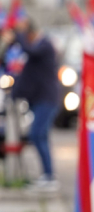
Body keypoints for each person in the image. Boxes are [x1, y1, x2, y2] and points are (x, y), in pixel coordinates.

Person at [2, 18, 61, 190]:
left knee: (37, 134)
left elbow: (30, 51)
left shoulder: (44, 45)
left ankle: (49, 176)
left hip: (47, 99)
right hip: (38, 99)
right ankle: (47, 175)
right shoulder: (36, 48)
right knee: (39, 136)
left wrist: (19, 34)